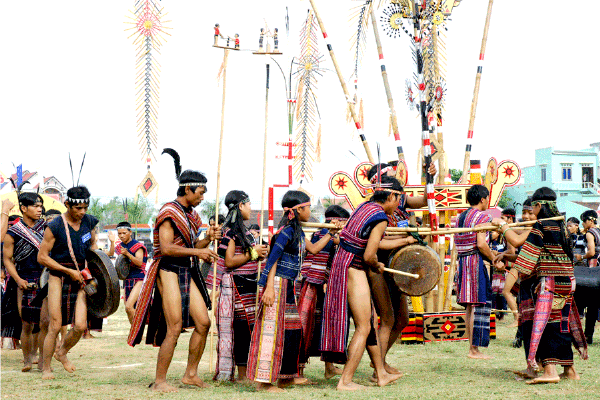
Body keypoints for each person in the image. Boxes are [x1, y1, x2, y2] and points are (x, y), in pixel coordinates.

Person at [127, 149, 220, 392]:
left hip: (186, 270)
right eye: (200, 193)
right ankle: (159, 382)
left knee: (203, 323)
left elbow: (191, 247)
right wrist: (198, 252)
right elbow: (167, 249)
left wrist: (207, 239)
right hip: (167, 270)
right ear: (187, 190)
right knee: (175, 326)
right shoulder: (169, 212)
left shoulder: (192, 216)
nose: (202, 198)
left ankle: (190, 374)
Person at [247, 190, 341, 392]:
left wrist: (331, 233)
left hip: (288, 285)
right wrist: (269, 287)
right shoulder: (285, 232)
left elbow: (314, 249)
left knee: (293, 331)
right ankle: (263, 382)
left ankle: (285, 377)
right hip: (277, 285)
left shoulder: (296, 231)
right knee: (272, 332)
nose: (309, 211)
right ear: (298, 210)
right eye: (307, 208)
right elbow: (273, 259)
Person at [494, 187, 587, 384]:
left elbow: (520, 244)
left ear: (538, 206)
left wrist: (503, 226)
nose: (531, 212)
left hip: (551, 282)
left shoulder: (541, 226)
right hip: (567, 281)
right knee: (561, 325)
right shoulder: (561, 226)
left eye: (532, 208)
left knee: (547, 326)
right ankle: (570, 370)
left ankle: (550, 371)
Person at [321, 175, 403, 391]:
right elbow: (369, 255)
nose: (398, 204)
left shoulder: (364, 206)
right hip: (353, 268)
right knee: (364, 327)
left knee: (368, 321)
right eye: (398, 199)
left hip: (344, 264)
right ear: (392, 195)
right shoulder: (381, 217)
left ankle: (382, 374)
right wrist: (376, 265)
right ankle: (345, 381)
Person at [364, 163, 432, 374]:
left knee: (402, 318)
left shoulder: (400, 198)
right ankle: (379, 368)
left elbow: (423, 201)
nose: (396, 174)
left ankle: (380, 361)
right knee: (387, 319)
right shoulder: (373, 208)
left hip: (398, 264)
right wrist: (406, 240)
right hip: (379, 267)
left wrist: (428, 179)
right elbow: (376, 243)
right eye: (391, 173)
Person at [38, 186, 99, 379]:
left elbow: (93, 246)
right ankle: (46, 368)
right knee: (54, 326)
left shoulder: (89, 221)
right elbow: (42, 257)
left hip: (82, 276)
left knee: (80, 326)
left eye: (85, 208)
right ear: (67, 205)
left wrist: (97, 268)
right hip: (58, 276)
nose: (82, 212)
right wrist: (67, 271)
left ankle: (62, 351)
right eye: (78, 208)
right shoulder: (54, 226)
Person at [209, 190, 268, 382]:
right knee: (242, 330)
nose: (251, 208)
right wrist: (253, 254)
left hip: (248, 285)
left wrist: (260, 253)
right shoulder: (231, 233)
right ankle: (242, 375)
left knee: (249, 328)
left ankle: (248, 371)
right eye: (249, 204)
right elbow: (229, 262)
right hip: (238, 287)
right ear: (240, 206)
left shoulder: (243, 230)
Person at [297, 204, 349, 380]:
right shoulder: (323, 235)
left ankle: (329, 367)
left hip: (322, 286)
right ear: (335, 222)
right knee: (305, 327)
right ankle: (299, 371)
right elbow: (318, 261)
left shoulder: (327, 234)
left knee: (325, 326)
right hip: (312, 285)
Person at [2, 191, 46, 372]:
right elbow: (7, 260)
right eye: (35, 206)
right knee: (27, 323)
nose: (39, 209)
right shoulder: (13, 232)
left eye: (40, 206)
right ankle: (27, 359)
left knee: (44, 322)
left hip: (46, 277)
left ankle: (42, 359)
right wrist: (18, 279)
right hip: (24, 278)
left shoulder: (47, 228)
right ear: (23, 208)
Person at [455, 184, 495, 359]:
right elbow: (481, 244)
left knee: (469, 306)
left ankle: (472, 347)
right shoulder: (482, 217)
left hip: (463, 261)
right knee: (477, 304)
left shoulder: (460, 217)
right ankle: (474, 349)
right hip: (474, 261)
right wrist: (493, 259)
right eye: (487, 198)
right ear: (482, 199)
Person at [107, 221, 148, 323]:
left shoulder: (137, 245)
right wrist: (112, 242)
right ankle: (134, 333)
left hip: (139, 278)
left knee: (129, 307)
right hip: (128, 279)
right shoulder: (120, 245)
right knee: (128, 308)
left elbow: (139, 263)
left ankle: (135, 333)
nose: (121, 236)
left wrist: (127, 254)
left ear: (130, 232)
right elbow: (111, 253)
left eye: (124, 233)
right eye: (119, 233)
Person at [575, 210, 600, 344]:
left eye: (584, 221)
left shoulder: (590, 233)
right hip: (599, 272)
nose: (583, 224)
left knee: (581, 304)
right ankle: (588, 335)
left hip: (591, 271)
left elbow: (591, 252)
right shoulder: (599, 232)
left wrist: (581, 257)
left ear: (590, 221)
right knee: (593, 306)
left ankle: (581, 335)